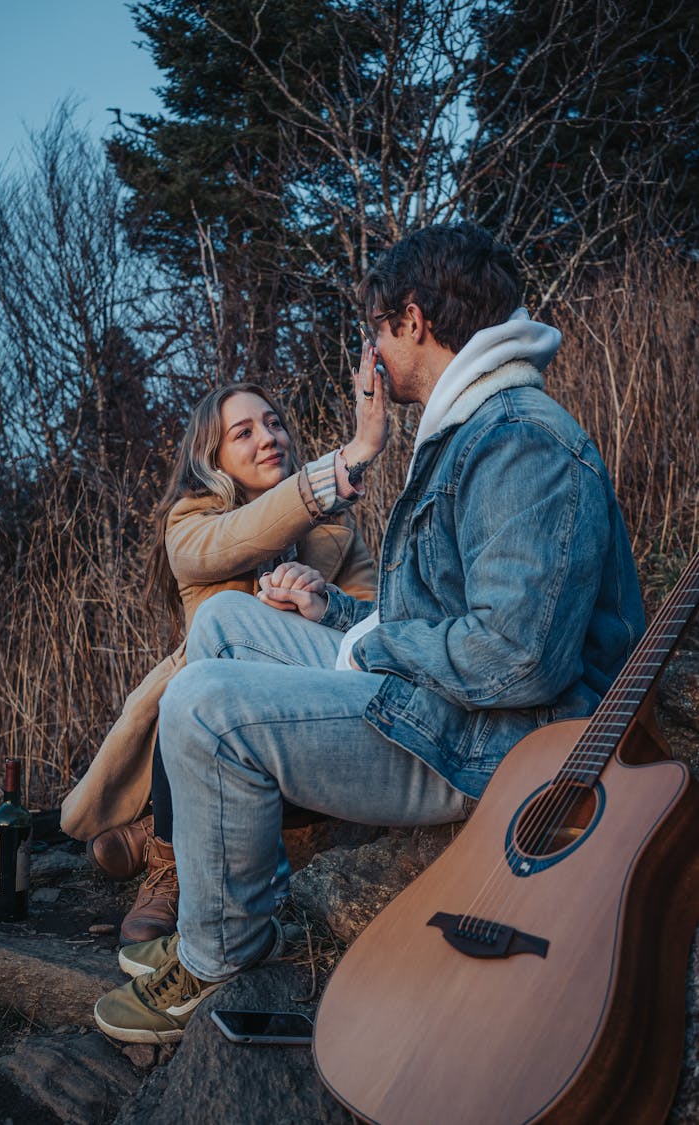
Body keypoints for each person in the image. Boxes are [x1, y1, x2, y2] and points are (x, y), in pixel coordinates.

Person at [93, 220, 645, 1044]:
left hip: (493, 742)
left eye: (376, 330)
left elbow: (516, 659)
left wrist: (373, 645)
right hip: (449, 699)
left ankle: (219, 957)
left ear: (413, 321)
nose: (372, 351)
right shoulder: (474, 424)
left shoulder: (520, 441)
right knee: (230, 624)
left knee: (203, 701)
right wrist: (339, 616)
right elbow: (444, 614)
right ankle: (229, 887)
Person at [60, 380, 379, 942]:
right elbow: (245, 535)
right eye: (244, 432)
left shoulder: (337, 533)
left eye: (275, 423)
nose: (269, 438)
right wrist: (333, 474)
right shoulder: (191, 521)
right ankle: (168, 864)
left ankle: (154, 830)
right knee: (203, 680)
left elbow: (378, 627)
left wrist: (323, 605)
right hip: (204, 715)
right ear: (213, 458)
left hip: (299, 714)